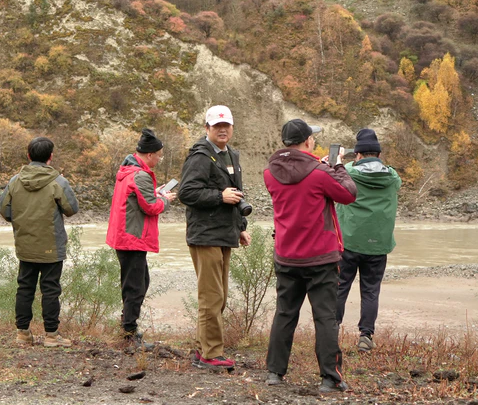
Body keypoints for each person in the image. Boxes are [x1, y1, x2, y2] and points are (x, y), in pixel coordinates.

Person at [263, 118, 357, 394]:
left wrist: (325, 167)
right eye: (312, 137)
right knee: (325, 317)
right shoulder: (320, 172)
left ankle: (275, 372)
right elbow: (349, 194)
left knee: (285, 313)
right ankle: (330, 377)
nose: (313, 140)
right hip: (320, 257)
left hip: (286, 255)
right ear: (307, 141)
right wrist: (337, 165)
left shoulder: (270, 173)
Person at [179, 105, 251, 371]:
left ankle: (203, 350)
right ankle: (211, 354)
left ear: (232, 127)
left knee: (218, 296)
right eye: (217, 126)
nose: (222, 130)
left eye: (226, 125)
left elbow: (236, 193)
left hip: (223, 232)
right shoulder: (200, 156)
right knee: (211, 297)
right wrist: (219, 197)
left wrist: (240, 226)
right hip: (206, 234)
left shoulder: (231, 154)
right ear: (207, 128)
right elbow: (187, 192)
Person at [0, 137, 79, 348]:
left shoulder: (15, 181)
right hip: (51, 245)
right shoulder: (58, 182)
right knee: (50, 289)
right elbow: (72, 209)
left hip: (25, 243)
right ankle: (51, 335)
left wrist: (21, 221)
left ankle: (22, 333)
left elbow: (5, 210)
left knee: (25, 287)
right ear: (50, 157)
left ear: (28, 155)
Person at [105, 128, 177, 349]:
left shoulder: (128, 171)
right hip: (132, 238)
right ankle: (129, 332)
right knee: (136, 286)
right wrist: (165, 200)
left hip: (125, 236)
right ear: (150, 154)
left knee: (138, 282)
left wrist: (155, 193)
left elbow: (138, 199)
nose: (160, 159)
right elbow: (151, 207)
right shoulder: (141, 175)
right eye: (159, 155)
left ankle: (127, 326)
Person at [335, 128, 401, 352]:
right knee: (371, 290)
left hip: (348, 243)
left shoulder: (348, 172)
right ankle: (366, 335)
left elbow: (334, 178)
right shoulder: (392, 177)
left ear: (358, 155)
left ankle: (332, 331)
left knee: (340, 287)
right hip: (378, 245)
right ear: (379, 155)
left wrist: (338, 161)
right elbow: (397, 182)